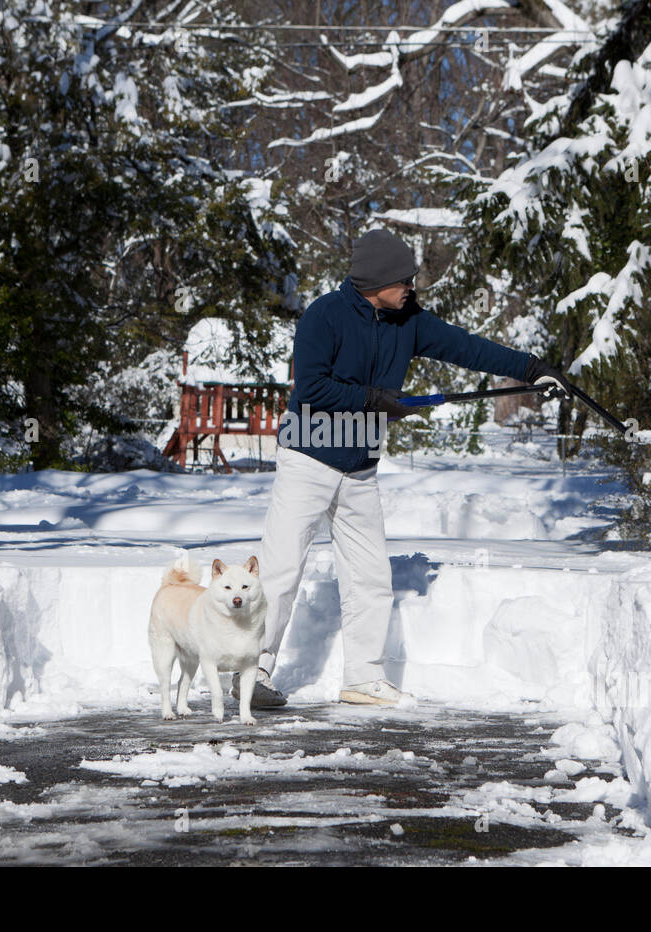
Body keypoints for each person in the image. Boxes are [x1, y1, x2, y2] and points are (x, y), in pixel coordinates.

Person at [232, 228, 568, 707]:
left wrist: (533, 369)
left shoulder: (408, 320)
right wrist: (375, 399)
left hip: (360, 467)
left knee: (369, 576)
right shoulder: (322, 317)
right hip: (308, 457)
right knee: (282, 568)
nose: (412, 286)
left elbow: (467, 347)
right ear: (375, 280)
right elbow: (311, 388)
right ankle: (253, 670)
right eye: (404, 279)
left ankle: (363, 678)